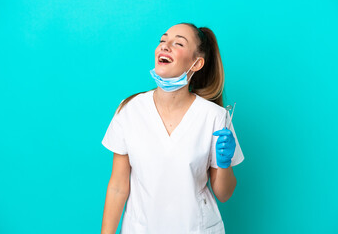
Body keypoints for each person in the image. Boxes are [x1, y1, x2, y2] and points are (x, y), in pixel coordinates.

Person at [100, 23, 244, 234]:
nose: (165, 46)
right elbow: (117, 187)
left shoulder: (214, 117)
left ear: (196, 63)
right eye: (162, 40)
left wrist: (224, 164)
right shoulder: (129, 110)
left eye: (178, 43)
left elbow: (224, 194)